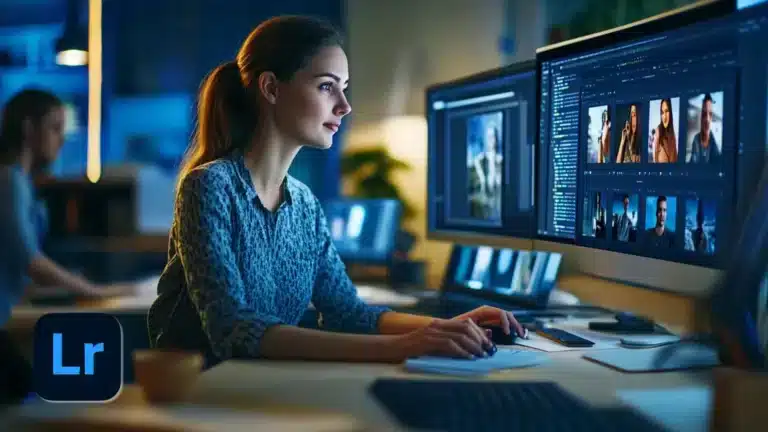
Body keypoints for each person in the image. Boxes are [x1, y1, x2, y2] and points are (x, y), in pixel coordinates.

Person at [146, 16, 525, 367]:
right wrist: (403, 347)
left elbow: (348, 313)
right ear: (271, 88)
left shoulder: (305, 205)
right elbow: (235, 331)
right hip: (199, 395)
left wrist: (447, 325)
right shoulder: (209, 186)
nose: (344, 106)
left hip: (266, 386)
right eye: (327, 86)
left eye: (343, 89)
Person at [0, 89, 132, 404]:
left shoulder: (18, 182)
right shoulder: (9, 181)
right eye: (55, 128)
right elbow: (31, 263)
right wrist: (94, 290)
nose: (62, 140)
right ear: (29, 129)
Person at [688, 93, 721, 164]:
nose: (707, 119)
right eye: (703, 114)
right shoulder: (696, 139)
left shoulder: (715, 144)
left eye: (710, 114)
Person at [651, 99, 678, 163]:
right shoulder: (658, 132)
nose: (664, 117)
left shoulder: (672, 134)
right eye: (662, 113)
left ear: (670, 112)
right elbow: (655, 158)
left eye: (667, 111)